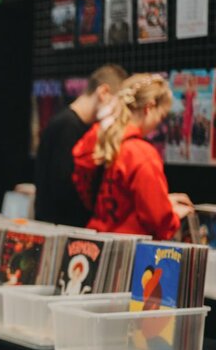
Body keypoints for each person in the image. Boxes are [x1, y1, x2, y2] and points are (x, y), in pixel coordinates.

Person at [72, 74, 191, 240]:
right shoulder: (141, 153)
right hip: (128, 254)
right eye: (161, 116)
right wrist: (172, 215)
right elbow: (158, 220)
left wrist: (163, 201)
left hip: (93, 244)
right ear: (149, 107)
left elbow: (114, 200)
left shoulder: (98, 140)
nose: (159, 123)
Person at [34, 64, 127, 227]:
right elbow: (64, 188)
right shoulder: (67, 126)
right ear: (103, 92)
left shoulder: (74, 125)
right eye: (117, 104)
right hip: (60, 228)